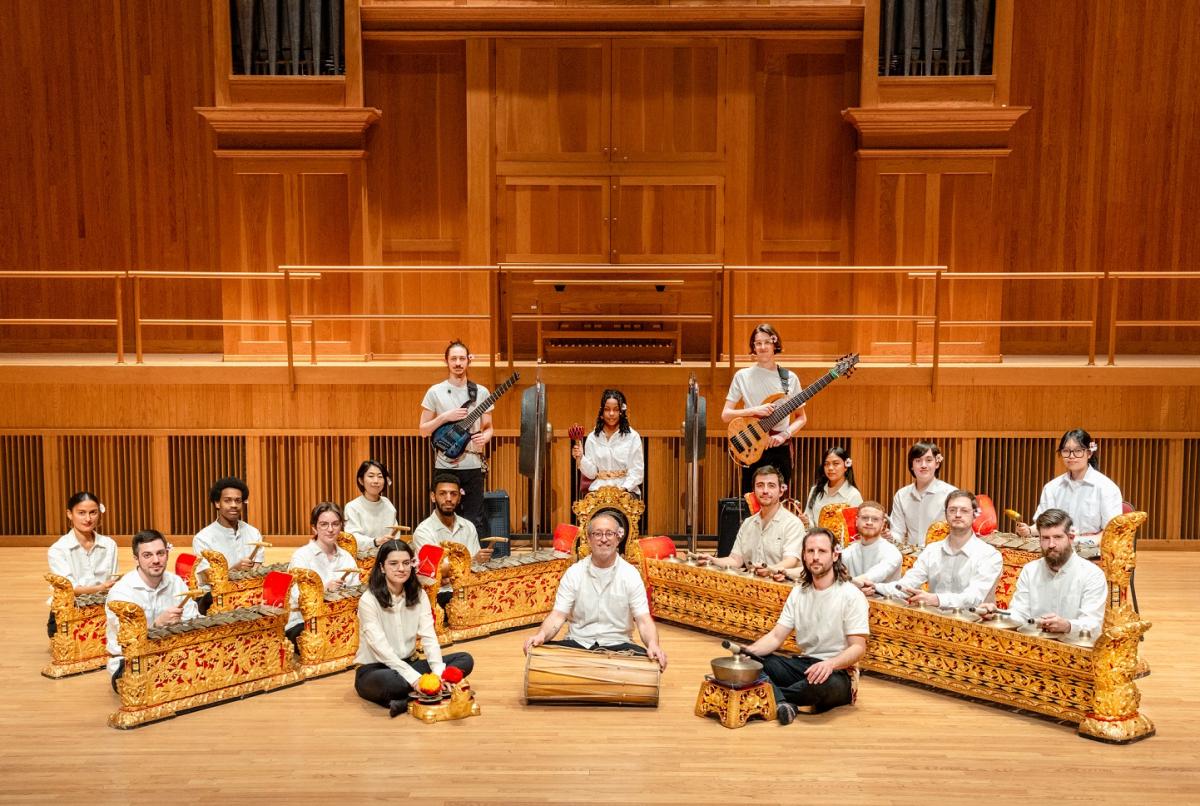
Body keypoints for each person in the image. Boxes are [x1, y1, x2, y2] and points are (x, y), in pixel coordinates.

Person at [740, 528, 868, 724]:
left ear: (834, 555)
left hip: (837, 672)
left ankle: (765, 694)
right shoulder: (799, 591)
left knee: (819, 685)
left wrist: (830, 664)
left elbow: (858, 647)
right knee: (754, 663)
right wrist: (748, 653)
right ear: (804, 556)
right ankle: (783, 703)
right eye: (810, 551)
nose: (815, 557)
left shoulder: (851, 595)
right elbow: (776, 637)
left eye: (822, 551)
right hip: (804, 665)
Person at [523, 513, 667, 669]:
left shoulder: (630, 575)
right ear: (589, 538)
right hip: (578, 645)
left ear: (618, 537)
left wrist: (653, 644)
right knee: (540, 660)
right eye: (597, 534)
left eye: (609, 533)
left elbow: (644, 620)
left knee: (649, 666)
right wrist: (541, 635)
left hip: (619, 646)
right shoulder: (574, 573)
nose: (603, 539)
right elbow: (557, 616)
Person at [354, 539, 475, 717]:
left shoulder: (419, 594)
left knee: (465, 659)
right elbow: (380, 648)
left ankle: (413, 696)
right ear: (381, 567)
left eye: (406, 563)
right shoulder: (368, 600)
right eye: (393, 564)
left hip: (410, 663)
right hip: (375, 670)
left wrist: (440, 674)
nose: (401, 569)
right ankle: (425, 694)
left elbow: (429, 636)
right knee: (391, 682)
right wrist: (415, 679)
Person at [978, 508, 1106, 639]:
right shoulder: (1030, 570)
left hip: (1074, 649)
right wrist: (997, 614)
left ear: (1071, 538)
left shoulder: (1092, 575)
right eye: (1045, 538)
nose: (1051, 544)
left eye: (1057, 537)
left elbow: (1093, 624)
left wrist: (1068, 626)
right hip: (1034, 647)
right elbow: (1020, 614)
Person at [868, 490, 1002, 610]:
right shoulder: (932, 550)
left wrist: (936, 599)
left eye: (964, 510)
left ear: (974, 515)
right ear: (946, 514)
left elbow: (974, 598)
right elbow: (906, 586)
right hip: (934, 622)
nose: (957, 515)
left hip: (975, 627)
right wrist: (874, 587)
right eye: (952, 510)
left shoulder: (989, 555)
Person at [105, 529, 200, 692]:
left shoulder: (176, 582)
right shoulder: (121, 593)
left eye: (160, 553)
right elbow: (129, 643)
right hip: (130, 662)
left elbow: (195, 621)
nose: (156, 560)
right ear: (136, 559)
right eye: (148, 555)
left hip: (172, 655)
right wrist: (157, 624)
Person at [418, 339, 493, 541]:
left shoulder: (481, 392)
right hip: (445, 465)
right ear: (446, 361)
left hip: (473, 463)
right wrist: (445, 417)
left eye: (462, 358)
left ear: (469, 360)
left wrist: (485, 437)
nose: (458, 363)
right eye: (454, 359)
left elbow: (489, 427)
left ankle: (472, 563)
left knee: (473, 518)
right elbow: (423, 430)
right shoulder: (435, 391)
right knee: (444, 515)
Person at [722, 323, 807, 494]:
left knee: (779, 498)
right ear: (753, 347)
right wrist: (754, 411)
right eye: (757, 343)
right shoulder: (742, 376)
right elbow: (726, 415)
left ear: (775, 344)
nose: (762, 347)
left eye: (766, 342)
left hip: (779, 447)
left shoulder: (790, 378)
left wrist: (785, 435)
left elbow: (802, 418)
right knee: (752, 498)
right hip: (752, 445)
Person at [1016, 428, 1123, 547]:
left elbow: (1111, 532)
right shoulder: (1052, 487)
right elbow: (1044, 525)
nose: (1071, 456)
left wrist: (1075, 542)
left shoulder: (1106, 487)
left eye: (1078, 451)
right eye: (1066, 451)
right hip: (1056, 548)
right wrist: (1029, 530)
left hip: (1092, 549)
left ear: (1089, 453)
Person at [697, 465, 803, 577]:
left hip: (783, 587)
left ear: (781, 491)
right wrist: (713, 560)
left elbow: (791, 561)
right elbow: (735, 560)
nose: (765, 491)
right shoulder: (747, 523)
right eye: (760, 486)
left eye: (771, 486)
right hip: (751, 586)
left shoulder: (793, 524)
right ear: (754, 491)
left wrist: (770, 569)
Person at [286, 502, 361, 646]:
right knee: (319, 640)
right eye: (324, 524)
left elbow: (356, 593)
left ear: (341, 526)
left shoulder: (347, 557)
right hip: (304, 621)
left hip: (339, 620)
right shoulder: (301, 556)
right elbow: (295, 597)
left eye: (335, 524)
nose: (330, 529)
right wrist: (324, 589)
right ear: (314, 527)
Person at [46, 491, 119, 636]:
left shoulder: (110, 544)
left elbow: (113, 581)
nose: (88, 519)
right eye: (81, 513)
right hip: (70, 611)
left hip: (103, 609)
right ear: (69, 514)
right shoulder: (58, 549)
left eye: (93, 512)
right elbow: (68, 589)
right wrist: (100, 587)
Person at [192, 476, 265, 612]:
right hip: (215, 597)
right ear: (217, 503)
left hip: (248, 595)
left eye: (238, 501)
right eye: (227, 500)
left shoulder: (253, 533)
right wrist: (234, 569)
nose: (234, 505)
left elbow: (257, 571)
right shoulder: (203, 538)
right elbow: (206, 578)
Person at [572, 389, 644, 496]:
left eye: (615, 410)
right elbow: (592, 474)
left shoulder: (632, 437)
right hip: (599, 490)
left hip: (626, 491)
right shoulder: (593, 438)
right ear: (602, 411)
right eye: (607, 409)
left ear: (622, 411)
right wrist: (581, 458)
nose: (611, 414)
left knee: (613, 512)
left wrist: (622, 489)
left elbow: (637, 472)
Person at [889, 441, 956, 548]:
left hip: (942, 554)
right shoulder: (901, 495)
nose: (923, 465)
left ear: (937, 464)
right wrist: (889, 537)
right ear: (911, 465)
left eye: (929, 460)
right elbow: (897, 531)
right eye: (918, 460)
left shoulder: (951, 493)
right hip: (912, 555)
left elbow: (957, 530)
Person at [840, 501, 902, 587]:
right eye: (865, 518)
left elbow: (873, 576)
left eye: (875, 519)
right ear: (856, 521)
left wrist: (851, 583)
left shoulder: (892, 553)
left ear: (883, 524)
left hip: (882, 599)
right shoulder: (847, 552)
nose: (869, 522)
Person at [344, 459, 399, 552]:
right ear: (361, 480)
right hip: (362, 558)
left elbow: (395, 532)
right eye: (371, 476)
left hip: (386, 556)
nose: (376, 481)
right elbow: (352, 538)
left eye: (380, 476)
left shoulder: (388, 504)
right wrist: (375, 541)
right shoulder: (352, 507)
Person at [801, 446, 863, 528]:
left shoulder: (853, 494)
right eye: (826, 464)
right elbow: (809, 519)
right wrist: (806, 522)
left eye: (836, 463)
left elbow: (854, 529)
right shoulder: (815, 490)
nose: (830, 468)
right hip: (816, 538)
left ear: (846, 466)